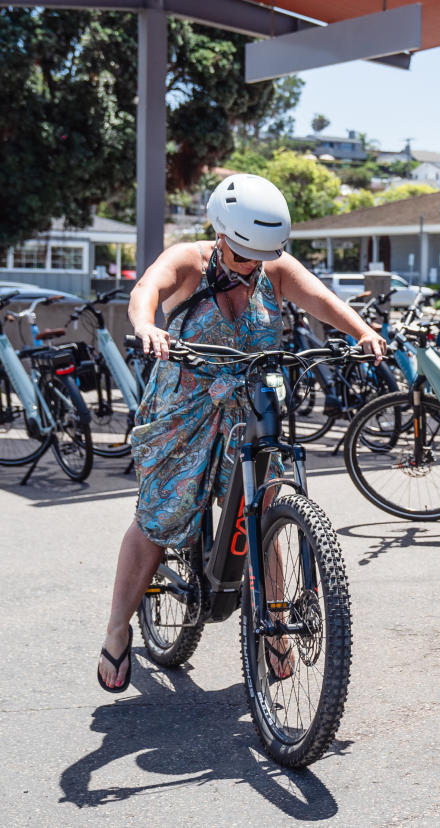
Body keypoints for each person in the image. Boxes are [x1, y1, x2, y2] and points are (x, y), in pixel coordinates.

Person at [96, 173, 386, 693]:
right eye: (245, 255)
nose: (255, 266)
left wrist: (362, 332)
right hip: (185, 406)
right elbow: (147, 290)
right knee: (160, 516)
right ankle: (118, 630)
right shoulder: (189, 260)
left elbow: (321, 300)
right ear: (222, 235)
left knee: (267, 504)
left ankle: (275, 630)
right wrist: (147, 325)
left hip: (251, 400)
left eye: (264, 256)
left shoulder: (273, 266)